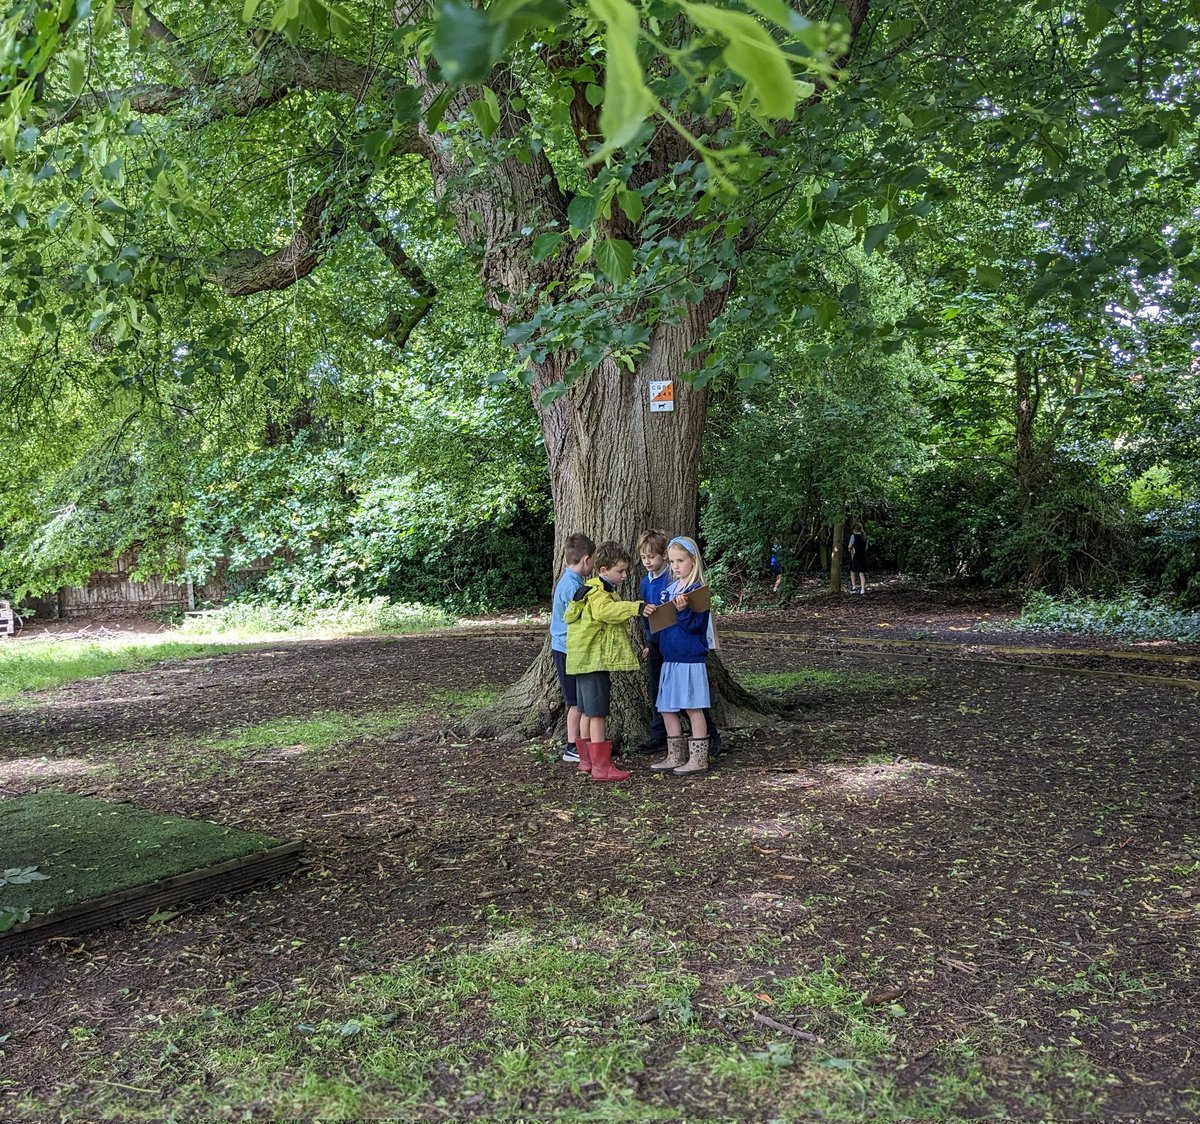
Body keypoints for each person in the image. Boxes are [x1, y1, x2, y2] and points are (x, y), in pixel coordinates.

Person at [563, 541, 645, 783]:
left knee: (586, 711)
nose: (625, 575)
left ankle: (587, 761)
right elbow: (605, 612)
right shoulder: (599, 592)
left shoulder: (588, 589)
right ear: (603, 570)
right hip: (594, 660)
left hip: (581, 660)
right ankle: (602, 767)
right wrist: (636, 607)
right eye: (621, 571)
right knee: (597, 713)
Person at [643, 535, 713, 778]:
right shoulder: (671, 590)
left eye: (680, 561)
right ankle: (675, 755)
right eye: (672, 561)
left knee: (693, 707)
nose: (675, 566)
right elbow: (663, 625)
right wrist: (652, 622)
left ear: (693, 560)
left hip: (690, 658)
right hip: (670, 657)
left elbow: (696, 627)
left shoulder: (698, 591)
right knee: (666, 707)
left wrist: (683, 611)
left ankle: (698, 759)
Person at [550, 532, 595, 764]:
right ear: (586, 559)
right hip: (565, 649)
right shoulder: (572, 586)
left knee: (577, 700)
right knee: (575, 702)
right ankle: (572, 746)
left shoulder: (572, 581)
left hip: (568, 648)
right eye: (593, 561)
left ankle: (576, 744)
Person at [635, 529, 672, 754]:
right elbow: (647, 616)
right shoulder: (645, 583)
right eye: (643, 557)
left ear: (664, 555)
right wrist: (649, 642)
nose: (647, 562)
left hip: (673, 642)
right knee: (656, 688)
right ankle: (658, 734)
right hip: (656, 643)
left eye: (651, 556)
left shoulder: (671, 579)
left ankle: (706, 732)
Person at [848, 518, 867, 595]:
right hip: (863, 556)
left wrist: (850, 549)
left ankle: (854, 587)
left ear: (853, 530)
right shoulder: (864, 536)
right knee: (861, 573)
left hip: (855, 556)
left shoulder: (853, 536)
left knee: (852, 571)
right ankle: (862, 589)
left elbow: (849, 546)